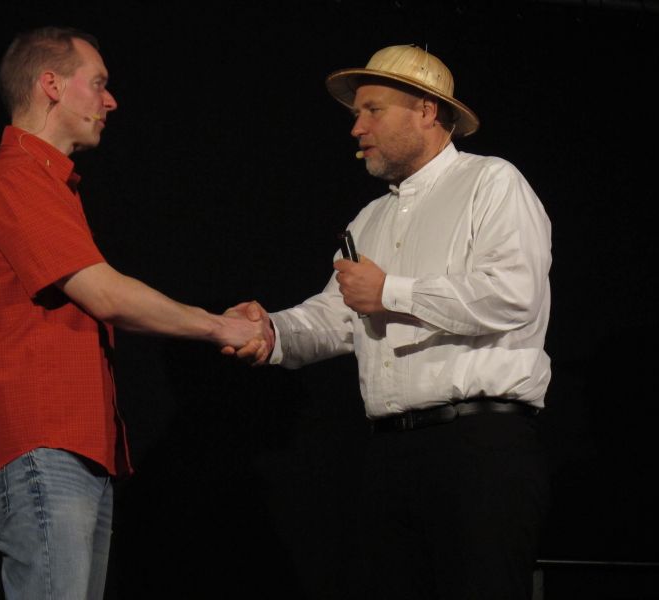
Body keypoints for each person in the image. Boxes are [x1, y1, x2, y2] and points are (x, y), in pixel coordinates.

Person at [225, 44, 551, 599]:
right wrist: (271, 330)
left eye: (372, 110)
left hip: (478, 448)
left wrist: (390, 291)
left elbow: (513, 294)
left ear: (426, 110)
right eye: (357, 114)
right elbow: (338, 315)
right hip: (390, 453)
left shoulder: (491, 182)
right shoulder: (371, 217)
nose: (357, 128)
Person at [0, 26, 267, 600]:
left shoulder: (49, 182)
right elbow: (106, 295)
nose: (111, 100)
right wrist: (220, 325)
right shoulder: (16, 176)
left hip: (72, 445)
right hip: (42, 441)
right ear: (51, 84)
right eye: (97, 83)